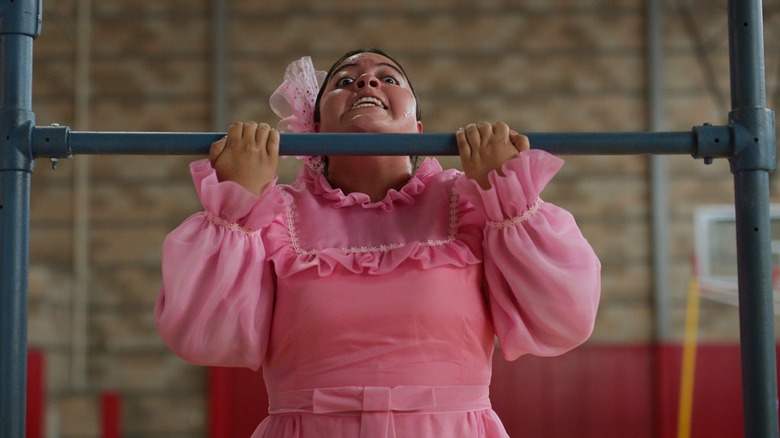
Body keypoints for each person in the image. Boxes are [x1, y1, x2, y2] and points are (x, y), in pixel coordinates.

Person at [155, 48, 601, 438]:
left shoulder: (473, 204)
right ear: (314, 127)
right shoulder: (269, 217)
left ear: (419, 126)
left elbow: (564, 318)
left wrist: (509, 197)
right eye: (344, 81)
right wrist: (236, 203)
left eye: (388, 78)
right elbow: (204, 338)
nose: (367, 80)